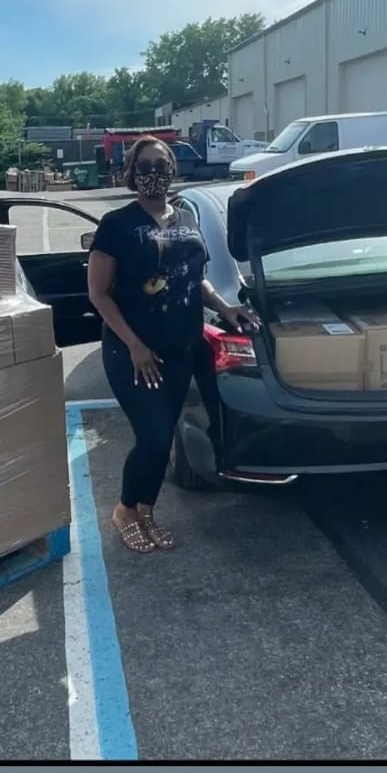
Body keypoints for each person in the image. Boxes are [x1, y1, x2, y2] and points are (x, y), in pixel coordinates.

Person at [87, 134, 256, 553]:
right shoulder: (116, 225)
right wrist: (135, 345)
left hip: (181, 349)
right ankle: (124, 510)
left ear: (172, 169)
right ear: (131, 172)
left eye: (161, 165)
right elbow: (99, 294)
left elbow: (195, 279)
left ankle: (146, 510)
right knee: (154, 437)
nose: (154, 173)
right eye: (145, 166)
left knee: (163, 438)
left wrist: (226, 307)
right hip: (133, 354)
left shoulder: (185, 218)